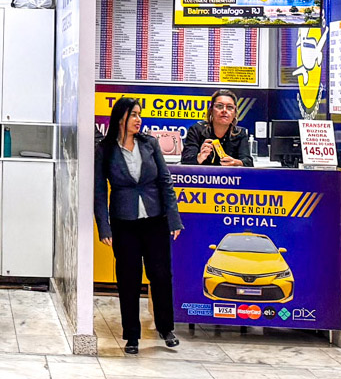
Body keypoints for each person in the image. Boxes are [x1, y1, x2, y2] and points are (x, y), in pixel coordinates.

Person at [94, 97, 183, 355]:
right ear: (120, 117)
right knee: (128, 279)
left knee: (160, 275)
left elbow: (165, 182)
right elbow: (100, 191)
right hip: (124, 223)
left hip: (155, 220)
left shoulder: (149, 144)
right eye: (133, 114)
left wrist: (174, 218)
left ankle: (166, 329)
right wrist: (104, 227)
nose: (138, 119)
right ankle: (131, 335)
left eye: (139, 114)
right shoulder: (105, 149)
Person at [181, 89, 253, 167]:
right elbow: (185, 160)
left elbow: (248, 162)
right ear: (211, 110)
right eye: (219, 106)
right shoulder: (196, 130)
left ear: (235, 113)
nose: (224, 110)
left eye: (229, 107)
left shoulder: (239, 133)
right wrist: (200, 157)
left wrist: (236, 163)